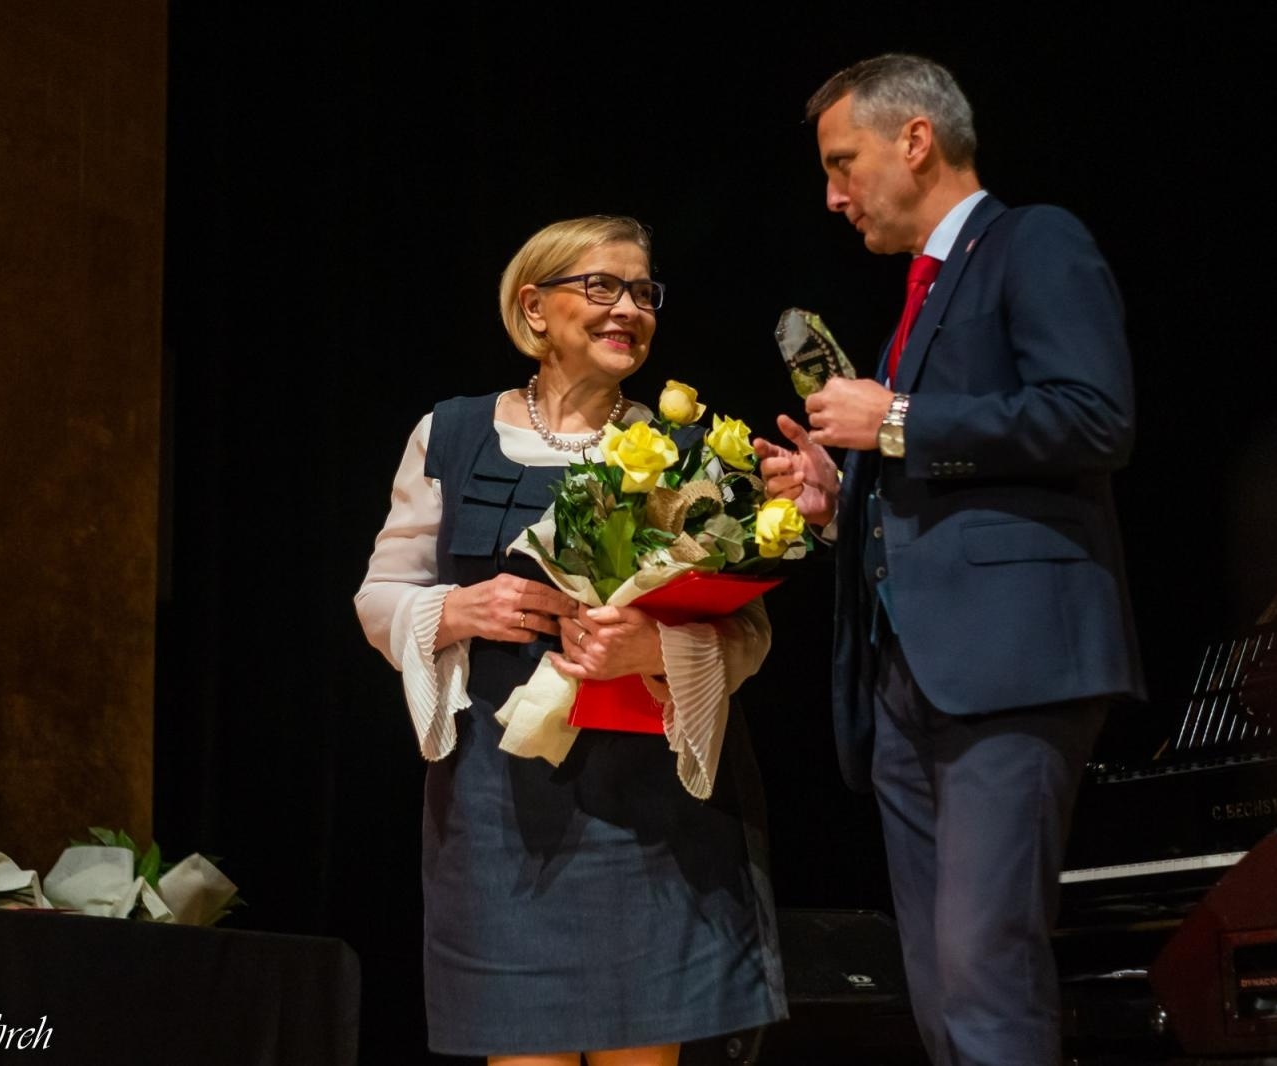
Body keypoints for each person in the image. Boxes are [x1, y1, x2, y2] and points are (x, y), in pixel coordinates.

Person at [754, 55, 1145, 1066]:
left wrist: (896, 419)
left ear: (915, 139)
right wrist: (838, 504)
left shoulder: (1033, 241)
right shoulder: (918, 299)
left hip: (1006, 667)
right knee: (935, 981)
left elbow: (1093, 417)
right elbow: (939, 475)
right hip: (909, 680)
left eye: (844, 164)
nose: (833, 196)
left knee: (984, 963)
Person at [355, 216, 786, 1065]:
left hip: (650, 807)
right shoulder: (452, 434)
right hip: (497, 800)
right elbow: (380, 596)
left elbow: (749, 636)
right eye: (602, 287)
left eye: (642, 292)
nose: (628, 307)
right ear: (534, 307)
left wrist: (654, 652)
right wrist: (458, 610)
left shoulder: (689, 452)